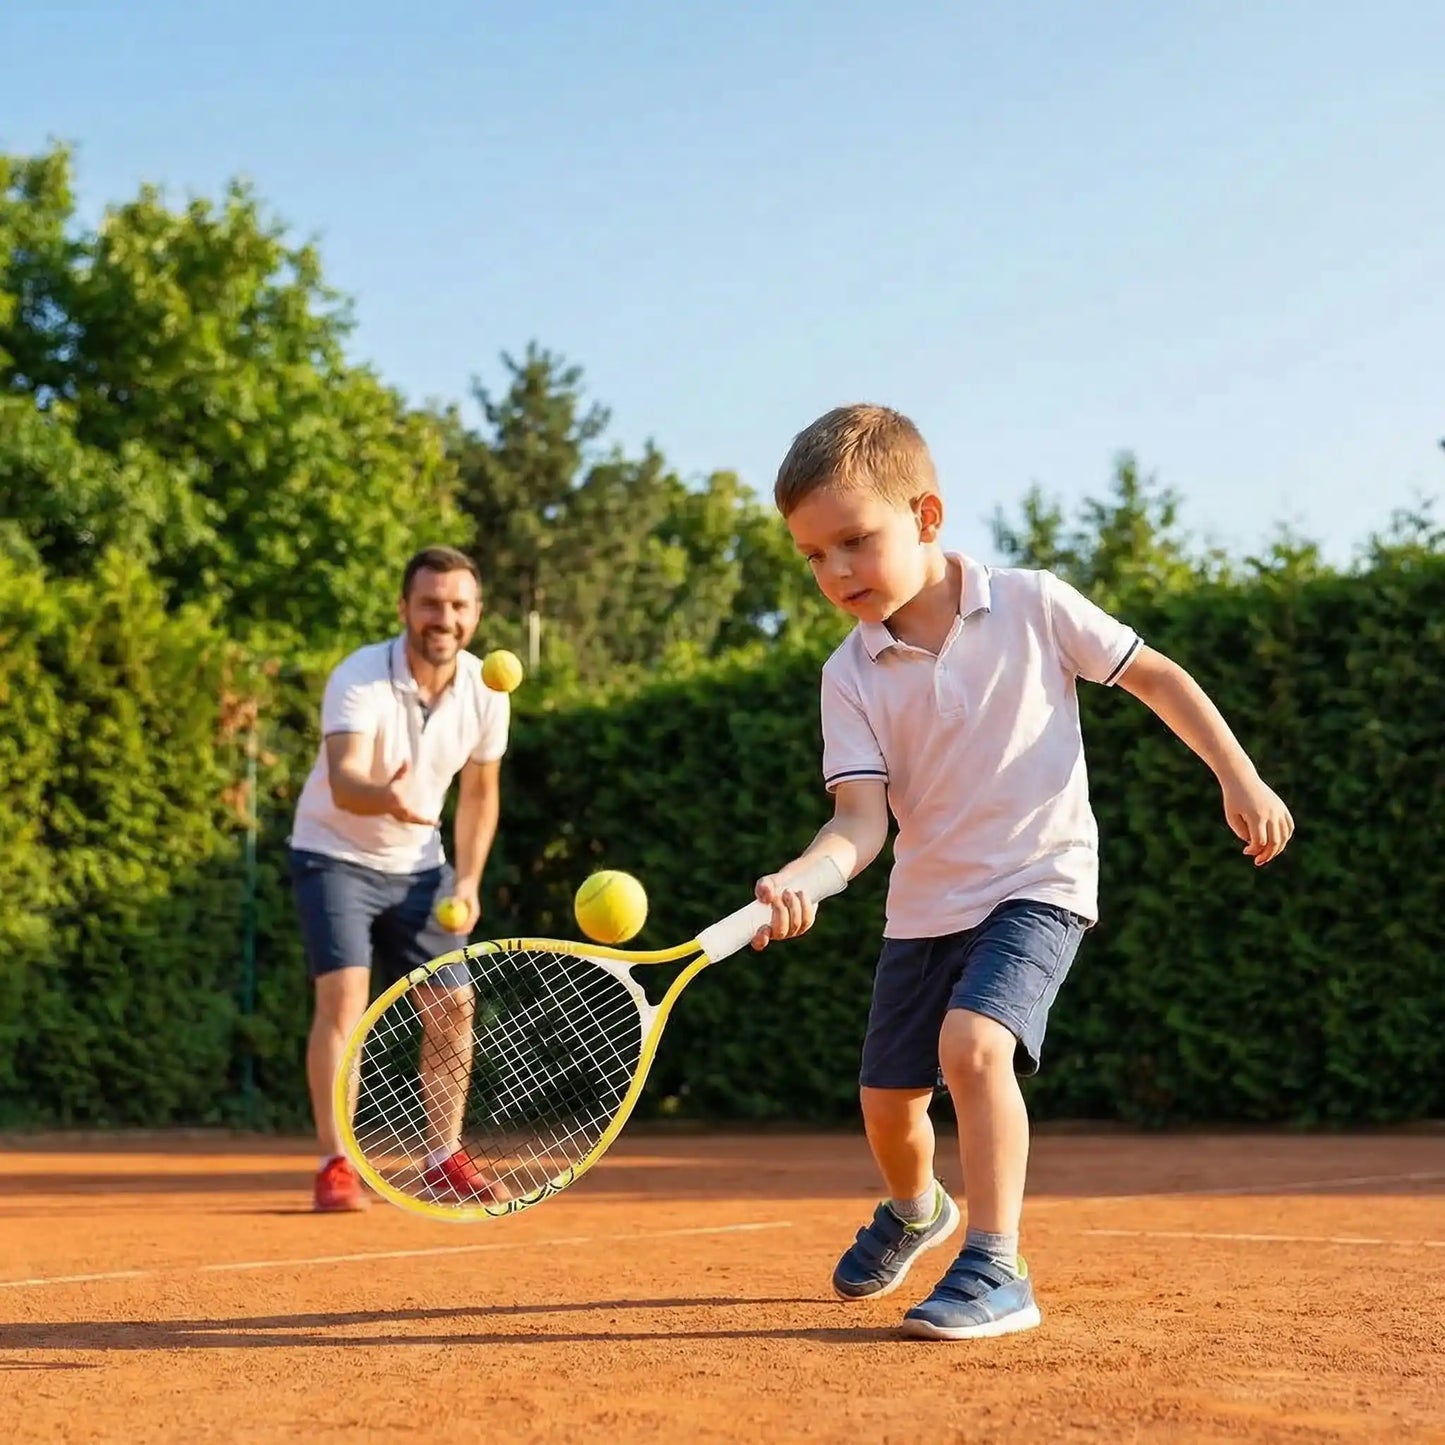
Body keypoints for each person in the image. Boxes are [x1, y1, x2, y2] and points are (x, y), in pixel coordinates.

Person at [749, 405, 1294, 1340]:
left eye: (853, 541)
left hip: (1039, 883)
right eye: (812, 556)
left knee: (973, 1047)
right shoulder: (849, 674)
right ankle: (918, 1210)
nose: (834, 573)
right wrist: (807, 873)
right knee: (887, 1105)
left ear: (926, 516)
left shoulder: (1033, 602)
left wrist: (1236, 774)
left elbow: (1154, 674)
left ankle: (996, 1263)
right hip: (923, 906)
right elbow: (857, 819)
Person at [289, 545, 510, 1213]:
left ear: (474, 613)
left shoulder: (486, 687)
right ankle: (337, 1162)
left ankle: (442, 1156)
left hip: (421, 867)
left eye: (457, 605)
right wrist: (381, 796)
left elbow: (479, 793)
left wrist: (466, 879)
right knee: (345, 1003)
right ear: (404, 610)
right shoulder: (358, 675)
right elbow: (347, 776)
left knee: (453, 1006)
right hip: (332, 855)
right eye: (430, 604)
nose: (443, 617)